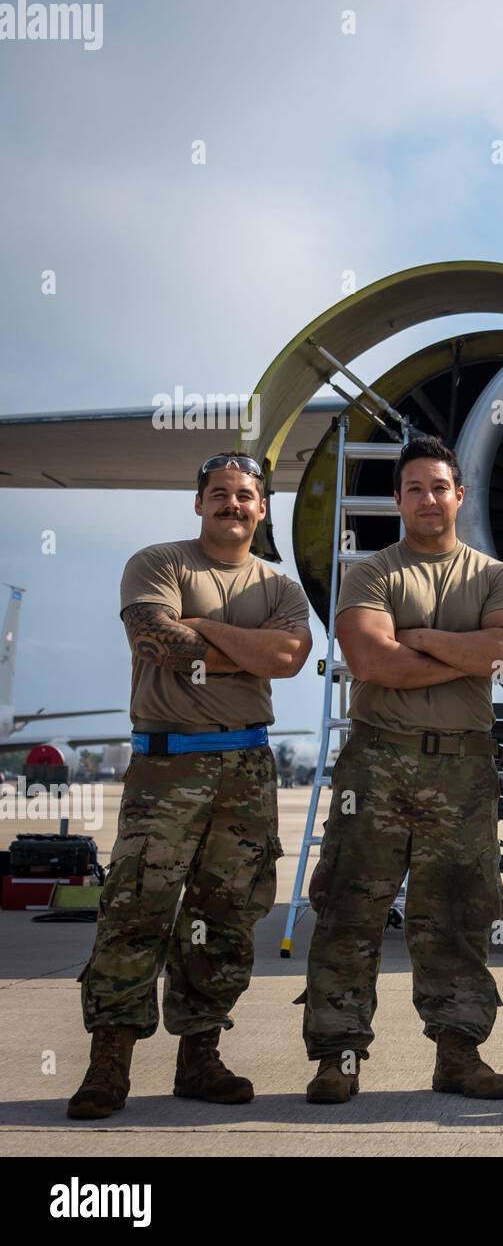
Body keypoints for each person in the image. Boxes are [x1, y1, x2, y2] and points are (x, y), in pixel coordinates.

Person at [68, 452, 312, 1120]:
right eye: (221, 494)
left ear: (263, 509)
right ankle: (108, 1064)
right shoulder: (159, 563)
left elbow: (291, 659)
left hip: (247, 770)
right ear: (198, 502)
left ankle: (199, 1056)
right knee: (135, 911)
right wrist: (245, 650)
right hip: (166, 767)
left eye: (246, 496)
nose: (234, 504)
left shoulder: (279, 587)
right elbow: (153, 640)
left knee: (225, 918)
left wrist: (203, 629)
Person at [300, 433, 503, 1103]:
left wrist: (422, 639)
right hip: (377, 764)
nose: (428, 499)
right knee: (351, 909)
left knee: (458, 914)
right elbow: (374, 662)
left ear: (460, 494)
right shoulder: (372, 573)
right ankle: (337, 1058)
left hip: (462, 769)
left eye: (439, 487)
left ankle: (458, 1056)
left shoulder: (497, 577)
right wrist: (467, 647)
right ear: (399, 500)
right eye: (414, 489)